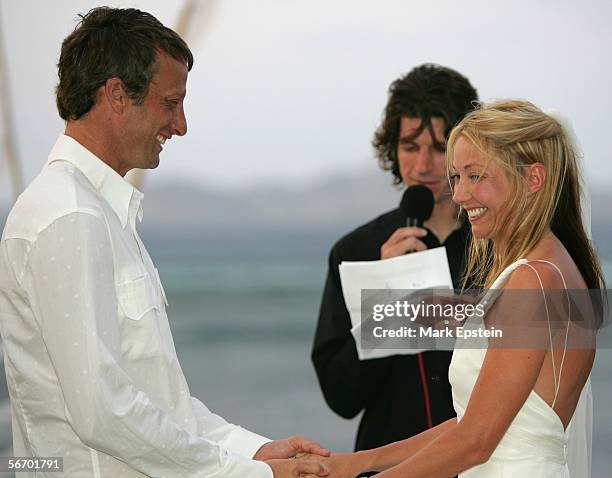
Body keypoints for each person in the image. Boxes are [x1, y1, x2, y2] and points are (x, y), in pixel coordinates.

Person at [0, 8, 329, 478]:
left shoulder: (100, 213)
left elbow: (157, 399)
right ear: (116, 94)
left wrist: (253, 452)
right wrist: (251, 475)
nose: (181, 125)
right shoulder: (69, 216)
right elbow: (103, 411)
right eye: (170, 103)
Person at [315, 100, 605, 477]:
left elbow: (476, 441)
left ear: (534, 179)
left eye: (476, 176)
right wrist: (358, 462)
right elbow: (474, 424)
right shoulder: (550, 268)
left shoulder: (534, 279)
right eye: (457, 177)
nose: (461, 195)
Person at [311, 64, 478, 453]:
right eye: (410, 147)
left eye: (440, 148)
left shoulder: (501, 243)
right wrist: (387, 298)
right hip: (388, 463)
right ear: (392, 149)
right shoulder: (355, 251)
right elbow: (341, 397)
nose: (423, 166)